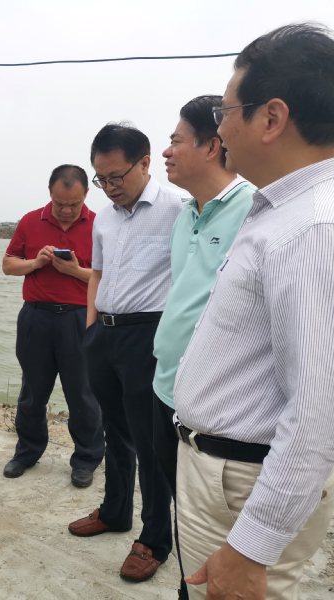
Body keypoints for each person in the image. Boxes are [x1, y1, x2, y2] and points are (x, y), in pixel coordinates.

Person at [174, 23, 334, 600]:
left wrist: (251, 548)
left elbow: (318, 407)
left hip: (242, 482)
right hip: (229, 474)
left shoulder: (312, 226)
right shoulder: (285, 210)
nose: (219, 128)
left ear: (272, 118)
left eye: (226, 111)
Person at [67, 123, 182, 582]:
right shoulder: (105, 218)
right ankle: (116, 511)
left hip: (148, 335)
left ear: (145, 162)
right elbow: (96, 273)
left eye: (116, 176)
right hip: (105, 333)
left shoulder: (178, 209)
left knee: (152, 440)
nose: (110, 187)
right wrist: (92, 326)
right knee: (114, 430)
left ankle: (155, 539)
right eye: (102, 179)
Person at [154, 96, 257, 600]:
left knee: (219, 533)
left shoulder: (253, 209)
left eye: (176, 141)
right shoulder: (185, 215)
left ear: (212, 146)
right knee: (185, 514)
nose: (166, 151)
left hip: (214, 406)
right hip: (166, 387)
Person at [0, 165, 104, 487]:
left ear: (86, 194)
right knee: (32, 391)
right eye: (60, 203)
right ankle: (26, 452)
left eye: (74, 204)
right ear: (50, 193)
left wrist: (74, 271)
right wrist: (36, 263)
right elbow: (8, 265)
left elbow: (110, 278)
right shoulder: (31, 221)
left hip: (79, 316)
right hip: (36, 316)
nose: (67, 210)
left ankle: (86, 458)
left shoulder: (101, 224)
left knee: (82, 393)